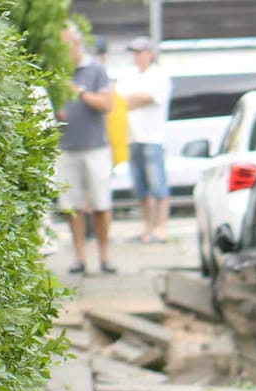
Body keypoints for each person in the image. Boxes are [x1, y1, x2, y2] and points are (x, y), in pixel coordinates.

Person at [56, 24, 117, 274]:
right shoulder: (56, 70)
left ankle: (104, 257)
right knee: (72, 206)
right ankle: (80, 257)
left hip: (95, 147)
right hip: (66, 147)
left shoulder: (96, 70)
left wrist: (80, 92)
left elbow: (107, 104)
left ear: (76, 43)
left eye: (64, 44)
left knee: (101, 204)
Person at [120, 36, 172, 243]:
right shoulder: (128, 77)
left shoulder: (159, 76)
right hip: (132, 137)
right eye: (134, 53)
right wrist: (136, 99)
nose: (137, 57)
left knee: (158, 185)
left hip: (153, 138)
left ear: (150, 54)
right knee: (140, 187)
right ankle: (147, 227)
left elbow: (147, 97)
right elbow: (122, 101)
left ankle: (161, 227)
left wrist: (134, 99)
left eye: (140, 52)